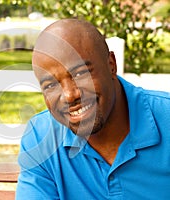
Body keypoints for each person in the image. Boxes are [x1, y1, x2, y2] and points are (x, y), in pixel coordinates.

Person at [16, 18, 170, 199]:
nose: (69, 95)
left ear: (111, 65)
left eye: (81, 73)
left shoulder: (165, 118)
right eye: (50, 85)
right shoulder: (40, 138)